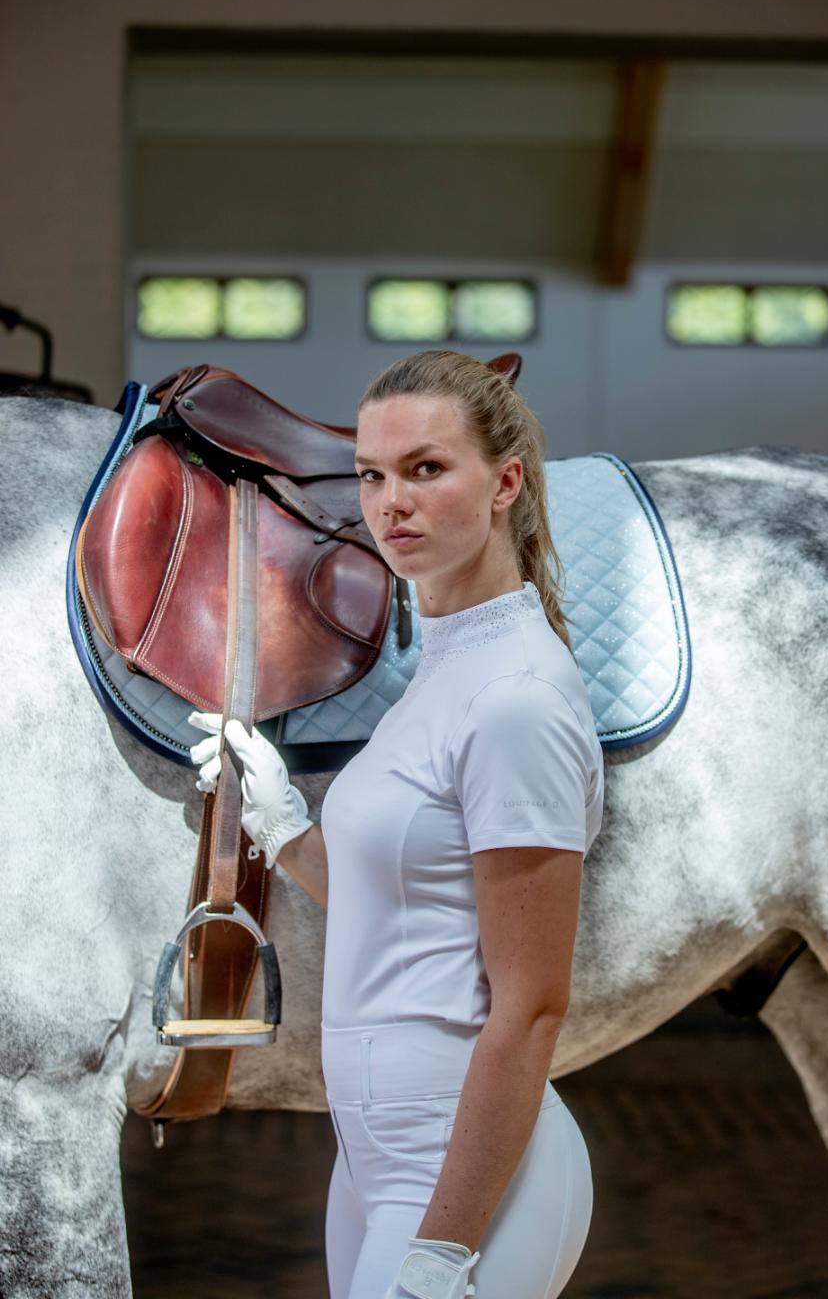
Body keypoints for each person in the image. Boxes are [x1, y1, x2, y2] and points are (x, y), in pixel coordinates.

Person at [188, 349, 604, 1299]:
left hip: (457, 1171)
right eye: (372, 475)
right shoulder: (447, 669)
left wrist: (446, 1247)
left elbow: (531, 1004)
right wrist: (284, 822)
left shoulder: (514, 699)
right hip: (374, 1155)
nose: (390, 503)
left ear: (504, 484)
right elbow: (405, 912)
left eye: (426, 469)